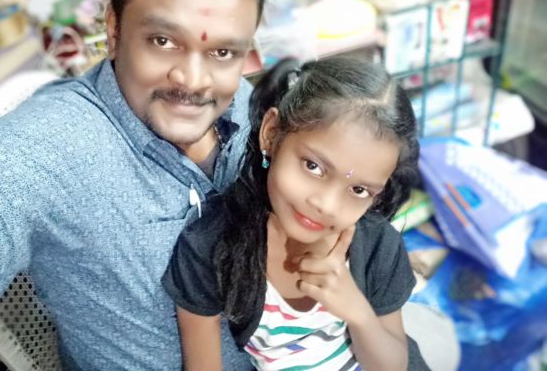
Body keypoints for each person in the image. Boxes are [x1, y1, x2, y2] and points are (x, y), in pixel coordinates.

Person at [0, 0, 269, 369]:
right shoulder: (59, 145)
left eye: (222, 52)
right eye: (162, 40)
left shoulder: (244, 104)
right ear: (114, 31)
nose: (194, 81)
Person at [163, 56, 431, 370]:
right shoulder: (211, 247)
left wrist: (357, 312)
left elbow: (392, 365)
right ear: (271, 133)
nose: (327, 205)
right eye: (313, 166)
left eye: (359, 190)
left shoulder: (378, 247)